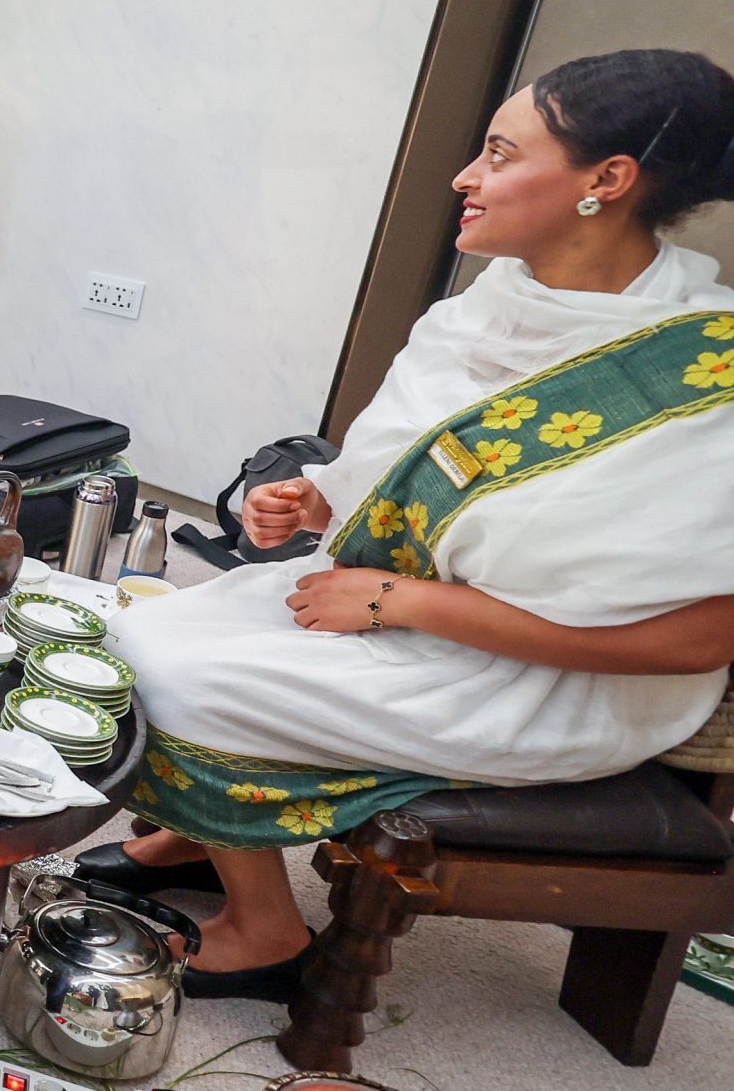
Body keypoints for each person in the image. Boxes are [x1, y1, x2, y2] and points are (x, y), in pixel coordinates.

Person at [76, 48, 734, 999]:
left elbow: (699, 639)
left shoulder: (699, 376)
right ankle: (203, 832)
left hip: (544, 676)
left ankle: (265, 933)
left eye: (502, 155)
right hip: (400, 610)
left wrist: (399, 599)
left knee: (170, 679)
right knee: (120, 635)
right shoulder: (494, 303)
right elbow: (413, 475)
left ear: (608, 181)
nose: (468, 178)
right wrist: (318, 500)